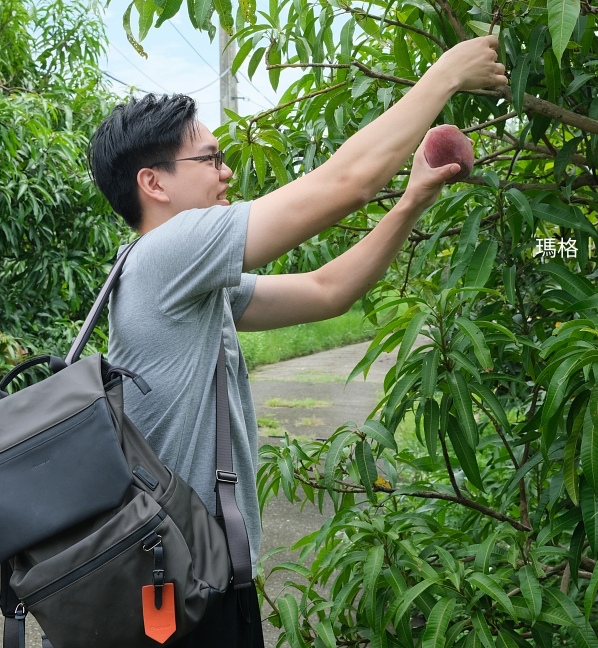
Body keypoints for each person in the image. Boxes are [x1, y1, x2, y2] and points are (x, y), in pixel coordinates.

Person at [86, 34, 506, 646]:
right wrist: (444, 75)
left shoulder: (189, 282)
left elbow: (327, 290)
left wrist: (413, 199)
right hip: (182, 576)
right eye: (209, 160)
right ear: (153, 183)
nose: (226, 172)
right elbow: (347, 183)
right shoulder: (168, 253)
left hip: (200, 570)